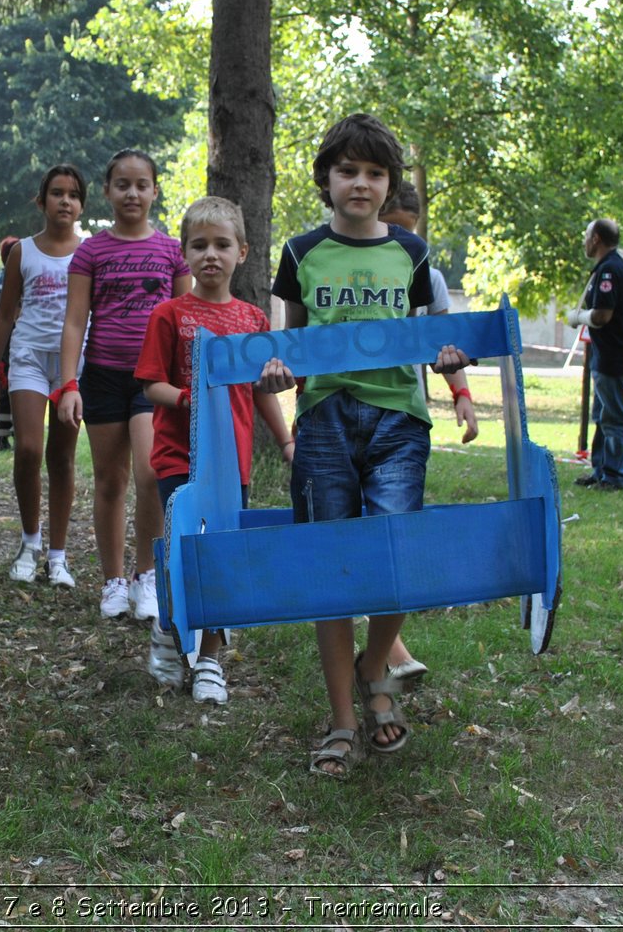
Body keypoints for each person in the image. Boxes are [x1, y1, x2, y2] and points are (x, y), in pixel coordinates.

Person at [271, 112, 470, 778]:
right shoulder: (301, 252)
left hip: (398, 420)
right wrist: (279, 368)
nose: (361, 183)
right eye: (348, 170)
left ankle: (374, 664)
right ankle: (343, 718)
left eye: (375, 172)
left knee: (398, 553)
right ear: (326, 179)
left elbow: (430, 332)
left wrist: (448, 363)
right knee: (332, 569)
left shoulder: (411, 254)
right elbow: (288, 339)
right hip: (325, 417)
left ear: (390, 184)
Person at [134, 196, 296, 703]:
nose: (211, 255)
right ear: (184, 252)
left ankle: (209, 658)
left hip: (232, 465)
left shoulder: (252, 319)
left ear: (242, 252)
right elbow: (149, 385)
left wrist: (287, 438)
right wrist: (190, 398)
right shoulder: (169, 314)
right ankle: (168, 628)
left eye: (222, 245)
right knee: (181, 551)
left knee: (221, 556)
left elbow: (260, 392)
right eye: (199, 245)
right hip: (178, 458)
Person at [56, 150, 191, 622]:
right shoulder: (91, 251)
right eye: (122, 185)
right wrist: (69, 383)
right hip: (102, 378)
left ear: (155, 190)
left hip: (152, 381)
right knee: (110, 481)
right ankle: (113, 580)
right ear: (108, 191)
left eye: (141, 185)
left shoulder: (174, 251)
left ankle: (146, 576)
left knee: (150, 476)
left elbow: (184, 319)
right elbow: (75, 322)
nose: (132, 193)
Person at [377, 180, 478, 687]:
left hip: (403, 418)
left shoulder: (428, 277)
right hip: (342, 417)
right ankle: (389, 654)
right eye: (395, 228)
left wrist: (462, 396)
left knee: (395, 531)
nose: (402, 239)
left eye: (409, 231)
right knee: (359, 527)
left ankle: (381, 652)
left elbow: (446, 345)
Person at [0, 171, 85, 586]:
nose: (66, 201)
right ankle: (29, 542)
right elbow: (4, 316)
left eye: (74, 195)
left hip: (71, 365)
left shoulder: (90, 253)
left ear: (81, 206)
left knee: (61, 458)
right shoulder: (22, 253)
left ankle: (57, 556)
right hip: (27, 358)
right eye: (57, 194)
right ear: (40, 201)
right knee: (27, 449)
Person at [566, 219, 623, 491]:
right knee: (602, 414)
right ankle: (600, 471)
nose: (584, 241)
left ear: (596, 238)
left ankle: (615, 476)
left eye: (586, 236)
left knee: (615, 418)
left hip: (613, 356)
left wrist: (580, 317)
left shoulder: (609, 270)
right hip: (614, 352)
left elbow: (602, 315)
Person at [0, 236, 22, 451]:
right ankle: (14, 434)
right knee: (14, 388)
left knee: (2, 384)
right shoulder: (14, 282)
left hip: (1, 340)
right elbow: (11, 313)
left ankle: (0, 436)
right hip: (14, 339)